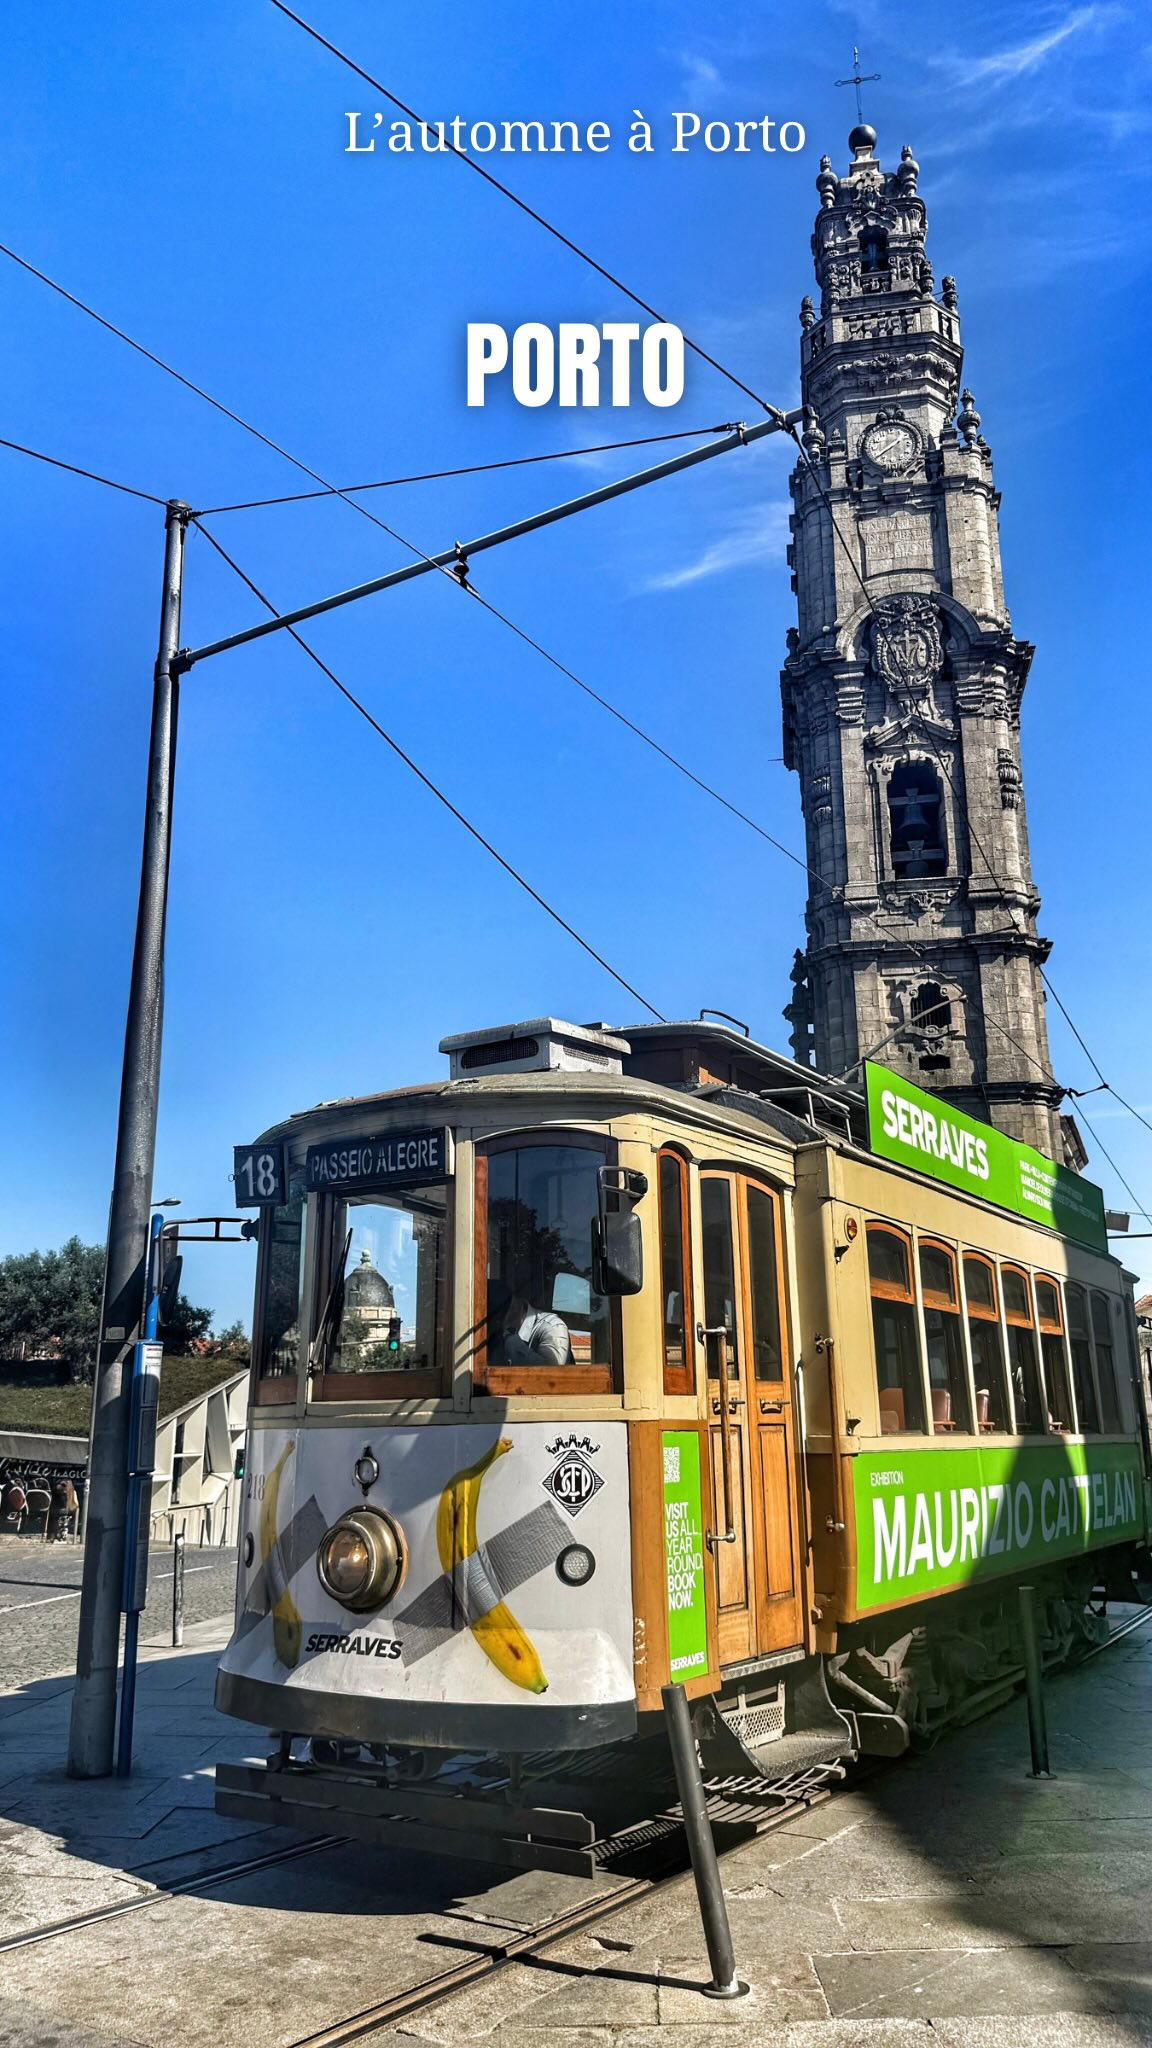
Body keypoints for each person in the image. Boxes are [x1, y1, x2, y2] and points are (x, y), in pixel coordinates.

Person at [501, 1293, 571, 1366]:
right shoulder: (505, 1330)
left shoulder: (552, 1327)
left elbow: (550, 1372)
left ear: (517, 1302)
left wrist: (510, 1339)